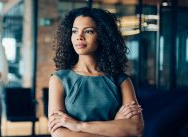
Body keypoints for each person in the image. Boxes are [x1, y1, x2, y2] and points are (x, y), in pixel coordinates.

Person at [48, 7, 144, 137]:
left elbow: (135, 128)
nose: (79, 37)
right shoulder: (59, 80)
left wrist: (78, 125)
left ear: (103, 36)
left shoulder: (121, 80)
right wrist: (115, 126)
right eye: (74, 31)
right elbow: (59, 133)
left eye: (88, 31)